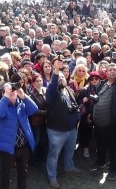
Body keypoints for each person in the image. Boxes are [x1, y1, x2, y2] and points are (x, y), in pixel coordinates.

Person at [88, 63, 116, 181]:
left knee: (113, 147)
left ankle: (112, 169)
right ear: (106, 72)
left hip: (113, 124)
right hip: (99, 123)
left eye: (114, 70)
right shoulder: (101, 84)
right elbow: (96, 99)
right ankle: (100, 162)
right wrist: (91, 113)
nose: (112, 71)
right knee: (100, 144)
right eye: (109, 70)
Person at [0, 82, 38, 189]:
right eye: (9, 91)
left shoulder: (22, 104)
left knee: (23, 172)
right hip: (8, 148)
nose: (12, 92)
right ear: (3, 93)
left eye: (13, 90)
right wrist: (5, 97)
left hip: (23, 146)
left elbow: (34, 109)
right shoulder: (1, 105)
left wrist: (24, 96)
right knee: (6, 174)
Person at [46, 58, 81, 188]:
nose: (61, 79)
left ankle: (68, 166)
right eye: (58, 77)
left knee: (70, 151)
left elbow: (75, 106)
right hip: (56, 130)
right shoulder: (51, 92)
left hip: (71, 129)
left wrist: (77, 120)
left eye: (63, 77)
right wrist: (56, 71)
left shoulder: (69, 90)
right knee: (53, 155)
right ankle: (52, 177)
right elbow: (53, 83)